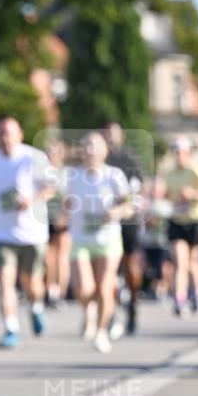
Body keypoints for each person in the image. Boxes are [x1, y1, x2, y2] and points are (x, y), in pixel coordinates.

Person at [0, 116, 53, 348]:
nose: (5, 138)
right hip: (1, 233)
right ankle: (10, 328)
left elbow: (52, 186)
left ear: (20, 135)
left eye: (9, 133)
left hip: (32, 233)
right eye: (0, 134)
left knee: (32, 283)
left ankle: (36, 307)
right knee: (5, 281)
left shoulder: (33, 157)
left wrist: (32, 200)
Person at [65, 132, 132, 354]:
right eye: (86, 145)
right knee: (84, 288)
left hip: (108, 239)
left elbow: (128, 206)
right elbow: (65, 204)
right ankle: (89, 311)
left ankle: (102, 331)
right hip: (81, 238)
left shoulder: (114, 176)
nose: (90, 150)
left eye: (95, 146)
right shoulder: (73, 176)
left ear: (105, 151)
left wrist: (116, 212)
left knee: (104, 287)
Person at [163, 137, 198, 316]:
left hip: (195, 221)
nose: (178, 156)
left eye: (181, 152)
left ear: (187, 153)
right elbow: (166, 196)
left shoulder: (196, 170)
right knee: (180, 261)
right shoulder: (168, 173)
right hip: (177, 221)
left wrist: (193, 194)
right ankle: (180, 299)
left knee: (193, 263)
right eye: (175, 152)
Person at [102, 121, 145, 335]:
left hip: (127, 221)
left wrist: (123, 206)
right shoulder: (97, 160)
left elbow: (137, 191)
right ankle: (106, 313)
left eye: (114, 134)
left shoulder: (129, 160)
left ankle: (133, 305)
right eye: (107, 134)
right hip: (103, 223)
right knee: (105, 269)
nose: (110, 138)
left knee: (130, 264)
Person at [43, 136, 71, 309]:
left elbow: (71, 199)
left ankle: (61, 293)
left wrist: (65, 216)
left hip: (63, 220)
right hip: (46, 220)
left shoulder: (67, 174)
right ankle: (50, 292)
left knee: (62, 258)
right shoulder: (43, 173)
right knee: (48, 259)